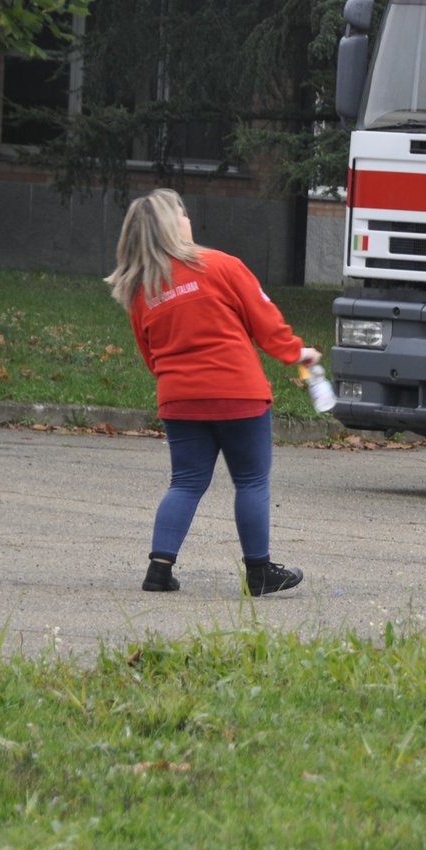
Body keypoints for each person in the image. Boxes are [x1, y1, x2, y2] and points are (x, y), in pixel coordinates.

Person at [107, 188, 317, 597]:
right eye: (182, 212)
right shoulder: (222, 265)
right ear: (173, 224)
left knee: (185, 482)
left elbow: (151, 357)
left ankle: (159, 569)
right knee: (252, 482)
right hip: (239, 393)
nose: (188, 218)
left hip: (179, 398)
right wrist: (298, 352)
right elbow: (265, 322)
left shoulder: (140, 290)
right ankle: (259, 572)